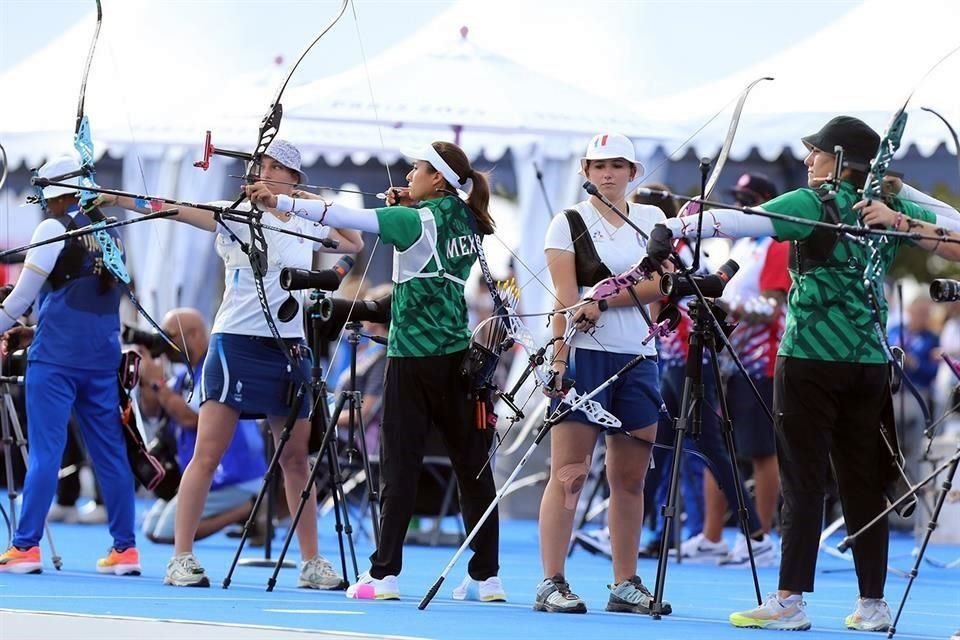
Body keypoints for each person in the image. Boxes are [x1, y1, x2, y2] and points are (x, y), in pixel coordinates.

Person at [644, 115, 958, 631]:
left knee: (804, 478)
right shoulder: (892, 208)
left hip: (811, 359)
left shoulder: (813, 202)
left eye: (815, 153)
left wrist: (672, 228)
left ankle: (789, 600)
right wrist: (904, 197)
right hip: (869, 364)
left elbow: (739, 221)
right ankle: (873, 605)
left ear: (838, 160)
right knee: (862, 480)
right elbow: (953, 226)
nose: (808, 160)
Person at [244, 140, 506, 602]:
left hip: (410, 359)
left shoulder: (413, 219)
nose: (406, 179)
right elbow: (427, 217)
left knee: (400, 468)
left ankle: (384, 575)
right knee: (473, 469)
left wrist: (278, 201)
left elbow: (349, 219)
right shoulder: (467, 217)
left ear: (438, 178)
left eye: (416, 171)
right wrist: (410, 200)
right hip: (458, 358)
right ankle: (488, 578)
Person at [100, 139, 363, 588]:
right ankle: (181, 557)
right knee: (207, 453)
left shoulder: (305, 216)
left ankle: (311, 562)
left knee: (296, 459)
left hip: (290, 347)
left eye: (275, 167)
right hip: (236, 345)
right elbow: (168, 207)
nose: (263, 171)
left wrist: (303, 202)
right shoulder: (232, 213)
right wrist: (117, 199)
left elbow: (353, 242)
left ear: (294, 178)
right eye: (261, 164)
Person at [536, 132, 669, 614]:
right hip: (583, 356)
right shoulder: (566, 221)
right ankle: (552, 581)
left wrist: (605, 300)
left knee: (630, 478)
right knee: (570, 473)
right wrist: (557, 359)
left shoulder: (652, 219)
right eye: (598, 166)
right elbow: (567, 296)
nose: (607, 174)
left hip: (639, 357)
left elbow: (660, 283)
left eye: (617, 165)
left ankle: (625, 583)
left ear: (634, 172)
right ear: (585, 173)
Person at [0, 155, 141, 575]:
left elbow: (20, 301)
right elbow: (80, 296)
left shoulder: (52, 228)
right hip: (100, 359)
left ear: (59, 192)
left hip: (56, 360)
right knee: (110, 454)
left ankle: (25, 548)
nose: (43, 203)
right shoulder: (113, 232)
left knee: (46, 452)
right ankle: (125, 550)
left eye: (46, 193)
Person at [707, 172, 787, 566]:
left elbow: (773, 308)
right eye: (737, 199)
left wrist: (731, 310)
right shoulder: (741, 244)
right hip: (732, 363)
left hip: (762, 363)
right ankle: (713, 537)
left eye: (749, 200)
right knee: (720, 445)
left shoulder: (774, 245)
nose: (740, 206)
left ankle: (762, 538)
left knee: (760, 450)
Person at [137, 308, 267, 544]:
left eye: (171, 336)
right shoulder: (186, 375)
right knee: (151, 528)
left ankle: (249, 509)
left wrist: (158, 382)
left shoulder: (214, 370)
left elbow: (191, 419)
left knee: (169, 532)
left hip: (233, 475)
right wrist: (147, 378)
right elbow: (153, 412)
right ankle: (245, 511)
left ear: (194, 335)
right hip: (213, 474)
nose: (166, 344)